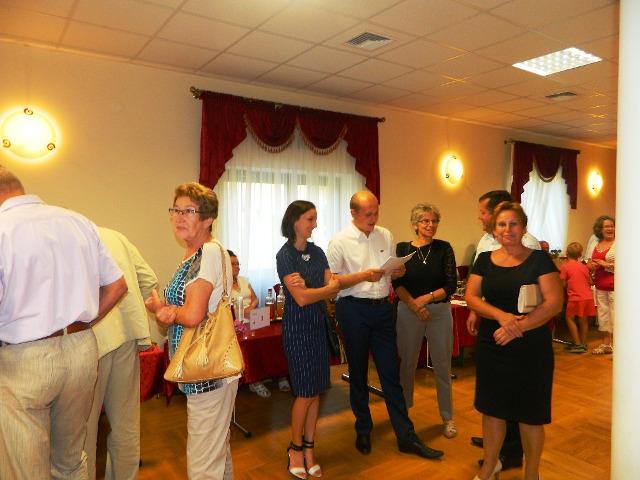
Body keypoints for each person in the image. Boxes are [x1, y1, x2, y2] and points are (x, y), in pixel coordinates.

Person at [0, 166, 127, 479]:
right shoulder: (76, 221)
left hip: (25, 358)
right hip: (82, 348)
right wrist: (81, 324)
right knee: (70, 461)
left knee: (27, 470)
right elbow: (117, 285)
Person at [327, 191, 444, 460]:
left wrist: (398, 271)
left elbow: (391, 272)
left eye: (376, 213)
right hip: (353, 310)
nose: (373, 218)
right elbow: (332, 282)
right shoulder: (339, 241)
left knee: (391, 373)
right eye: (368, 214)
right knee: (358, 372)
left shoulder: (386, 235)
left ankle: (406, 436)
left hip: (382, 310)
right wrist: (363, 276)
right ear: (353, 213)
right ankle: (363, 428)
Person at [145, 182, 239, 479]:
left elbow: (194, 314)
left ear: (208, 218)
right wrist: (164, 311)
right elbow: (180, 314)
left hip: (207, 371)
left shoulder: (208, 252)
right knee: (215, 451)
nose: (179, 217)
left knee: (202, 463)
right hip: (203, 366)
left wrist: (167, 311)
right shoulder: (192, 254)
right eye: (176, 210)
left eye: (189, 211)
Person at [465, 201, 563, 480]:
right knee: (492, 409)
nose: (507, 229)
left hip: (531, 347)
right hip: (492, 344)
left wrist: (516, 327)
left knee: (530, 414)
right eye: (501, 224)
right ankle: (490, 466)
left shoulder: (539, 259)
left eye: (513, 224)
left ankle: (532, 473)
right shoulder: (484, 260)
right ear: (494, 230)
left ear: (523, 227)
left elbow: (554, 303)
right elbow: (471, 297)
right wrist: (502, 317)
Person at [85, 227, 159, 480]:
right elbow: (149, 280)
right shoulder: (116, 236)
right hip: (127, 333)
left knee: (85, 429)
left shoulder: (70, 237)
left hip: (92, 338)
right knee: (125, 424)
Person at [276, 200, 341, 479]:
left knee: (316, 391)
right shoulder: (285, 255)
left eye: (315, 219)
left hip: (318, 327)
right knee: (304, 393)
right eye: (310, 219)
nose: (315, 224)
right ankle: (295, 449)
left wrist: (315, 290)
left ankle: (310, 449)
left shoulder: (317, 252)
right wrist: (319, 291)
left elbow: (333, 288)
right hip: (297, 329)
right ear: (295, 221)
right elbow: (301, 299)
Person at [393, 203, 458, 438]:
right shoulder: (402, 248)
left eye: (434, 221)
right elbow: (396, 283)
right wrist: (414, 305)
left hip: (439, 312)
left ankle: (447, 417)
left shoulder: (444, 248)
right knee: (407, 365)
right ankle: (403, 414)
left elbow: (451, 284)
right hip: (408, 311)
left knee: (442, 366)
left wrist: (427, 299)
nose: (430, 225)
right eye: (425, 221)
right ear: (415, 224)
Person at [586, 215, 615, 355]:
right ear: (600, 229)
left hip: (616, 287)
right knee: (603, 316)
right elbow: (589, 262)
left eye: (612, 226)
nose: (610, 229)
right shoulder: (596, 244)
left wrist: (606, 264)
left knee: (615, 316)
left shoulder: (620, 243)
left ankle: (618, 346)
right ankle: (606, 345)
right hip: (600, 286)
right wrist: (591, 266)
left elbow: (628, 264)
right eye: (606, 226)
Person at [559, 242, 596, 354]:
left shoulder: (565, 267)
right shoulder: (584, 267)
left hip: (575, 298)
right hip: (587, 297)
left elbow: (562, 284)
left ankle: (577, 344)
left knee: (569, 318)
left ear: (566, 253)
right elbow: (590, 282)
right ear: (580, 255)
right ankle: (583, 343)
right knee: (583, 320)